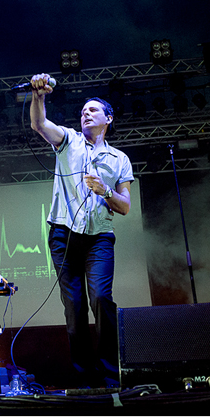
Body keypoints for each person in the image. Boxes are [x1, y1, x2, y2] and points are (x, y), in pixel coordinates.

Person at [29, 73, 134, 388]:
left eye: (93, 111)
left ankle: (112, 375)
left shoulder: (120, 159)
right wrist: (38, 95)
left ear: (108, 119)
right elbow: (39, 124)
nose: (85, 114)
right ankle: (86, 378)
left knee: (101, 299)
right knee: (74, 308)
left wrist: (105, 191)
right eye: (83, 111)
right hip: (63, 235)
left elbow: (125, 205)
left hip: (100, 237)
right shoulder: (68, 140)